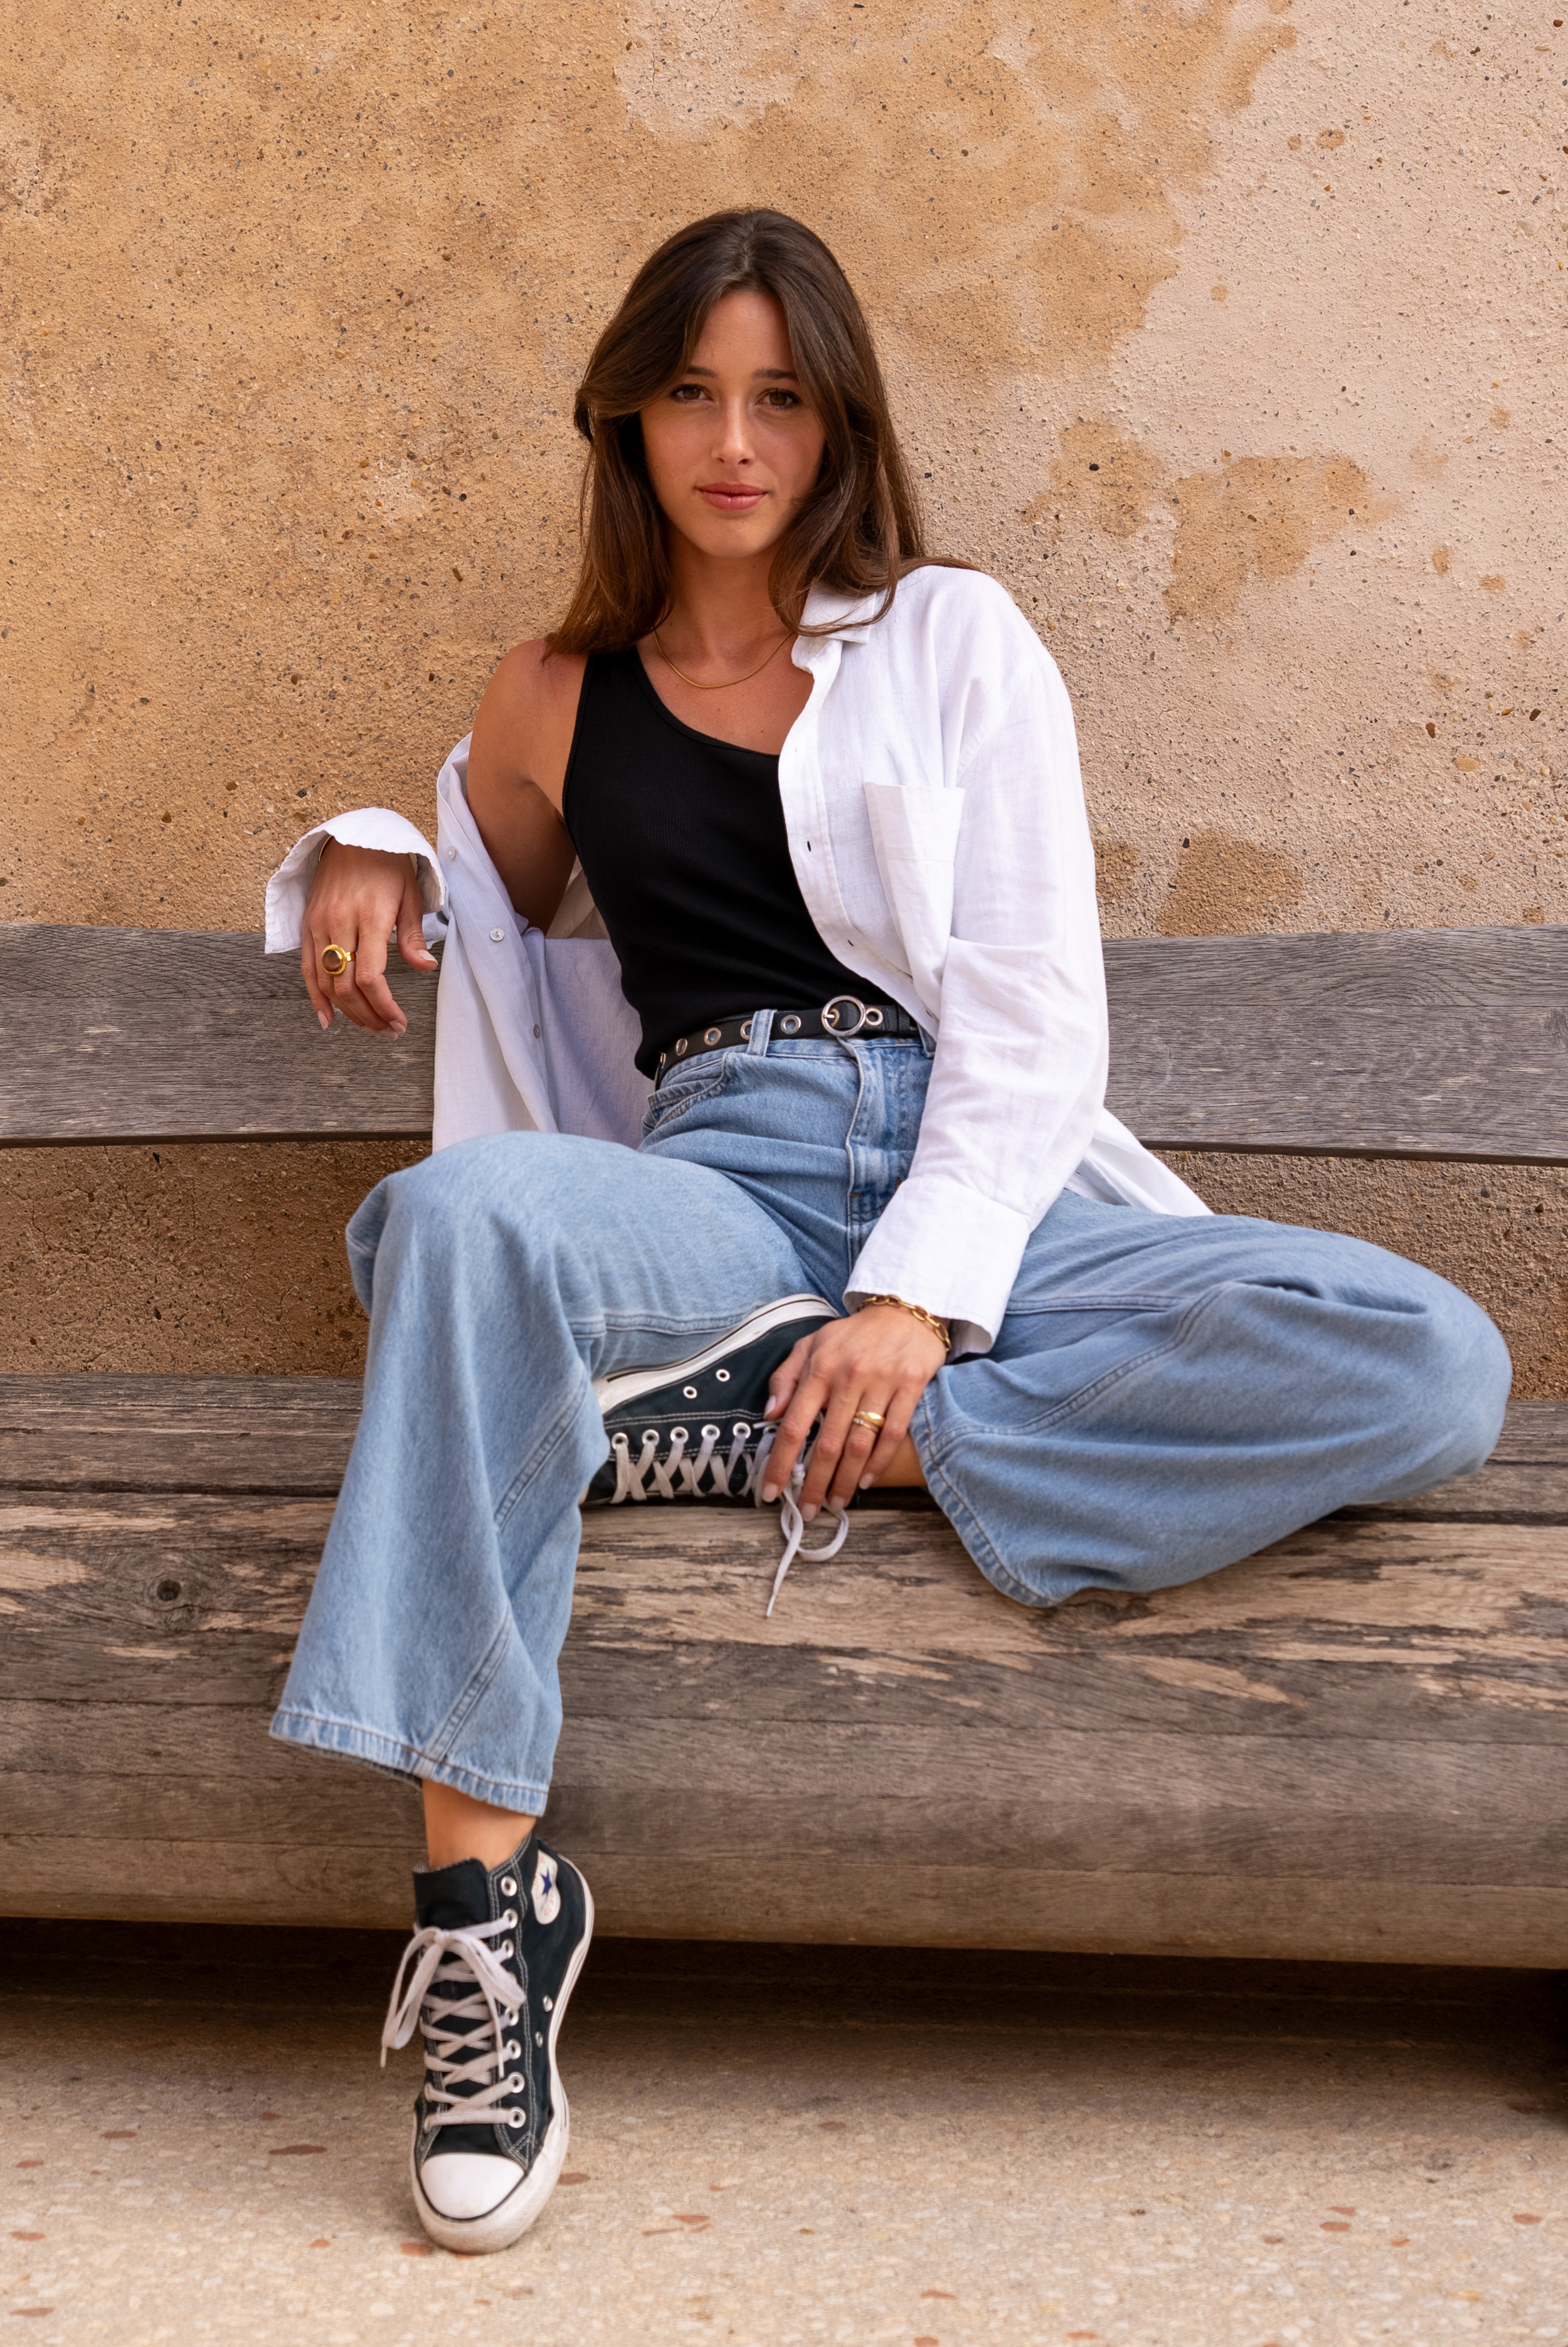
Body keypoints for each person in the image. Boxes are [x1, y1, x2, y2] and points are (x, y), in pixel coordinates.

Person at [263, 209, 1511, 2256]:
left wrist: (920, 1307)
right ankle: (487, 1923)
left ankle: (813, 1430)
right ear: (627, 416)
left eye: (778, 395)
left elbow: (1027, 1003)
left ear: (838, 421)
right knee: (454, 1222)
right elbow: (477, 913)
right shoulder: (553, 692)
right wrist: (375, 853)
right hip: (716, 1176)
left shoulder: (949, 636)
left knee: (1421, 1355)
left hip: (979, 1162)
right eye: (689, 392)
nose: (733, 440)